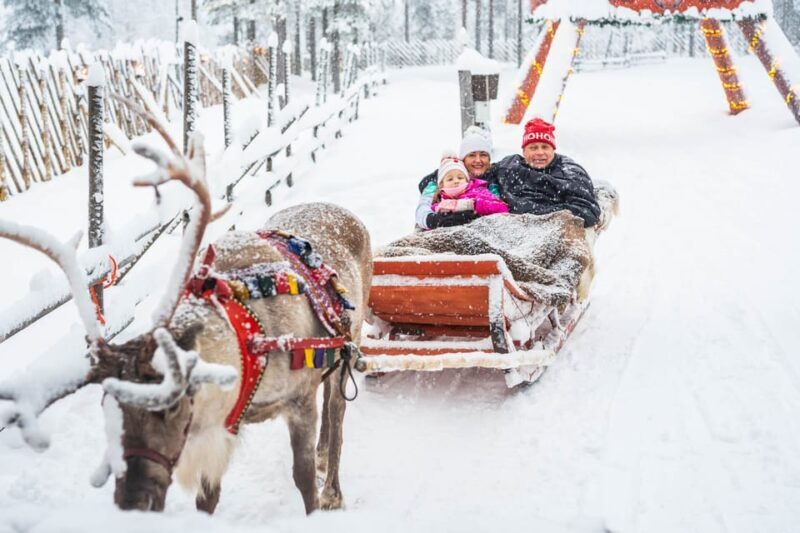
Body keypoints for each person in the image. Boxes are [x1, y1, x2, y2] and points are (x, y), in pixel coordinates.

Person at [484, 118, 601, 228]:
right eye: (533, 148)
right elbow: (482, 178)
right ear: (524, 151)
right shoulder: (509, 165)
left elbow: (588, 212)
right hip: (505, 226)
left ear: (553, 150)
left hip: (549, 231)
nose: (540, 153)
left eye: (545, 147)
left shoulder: (570, 173)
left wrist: (535, 212)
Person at [415, 126, 497, 230]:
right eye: (472, 155)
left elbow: (497, 205)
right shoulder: (441, 177)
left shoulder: (493, 178)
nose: (478, 160)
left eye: (483, 155)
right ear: (463, 159)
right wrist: (435, 220)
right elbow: (422, 208)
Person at [431, 153, 508, 222]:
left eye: (460, 177)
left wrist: (473, 204)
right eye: (450, 179)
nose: (456, 181)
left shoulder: (478, 191)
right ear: (442, 185)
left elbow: (502, 207)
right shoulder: (439, 202)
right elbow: (430, 224)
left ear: (467, 180)